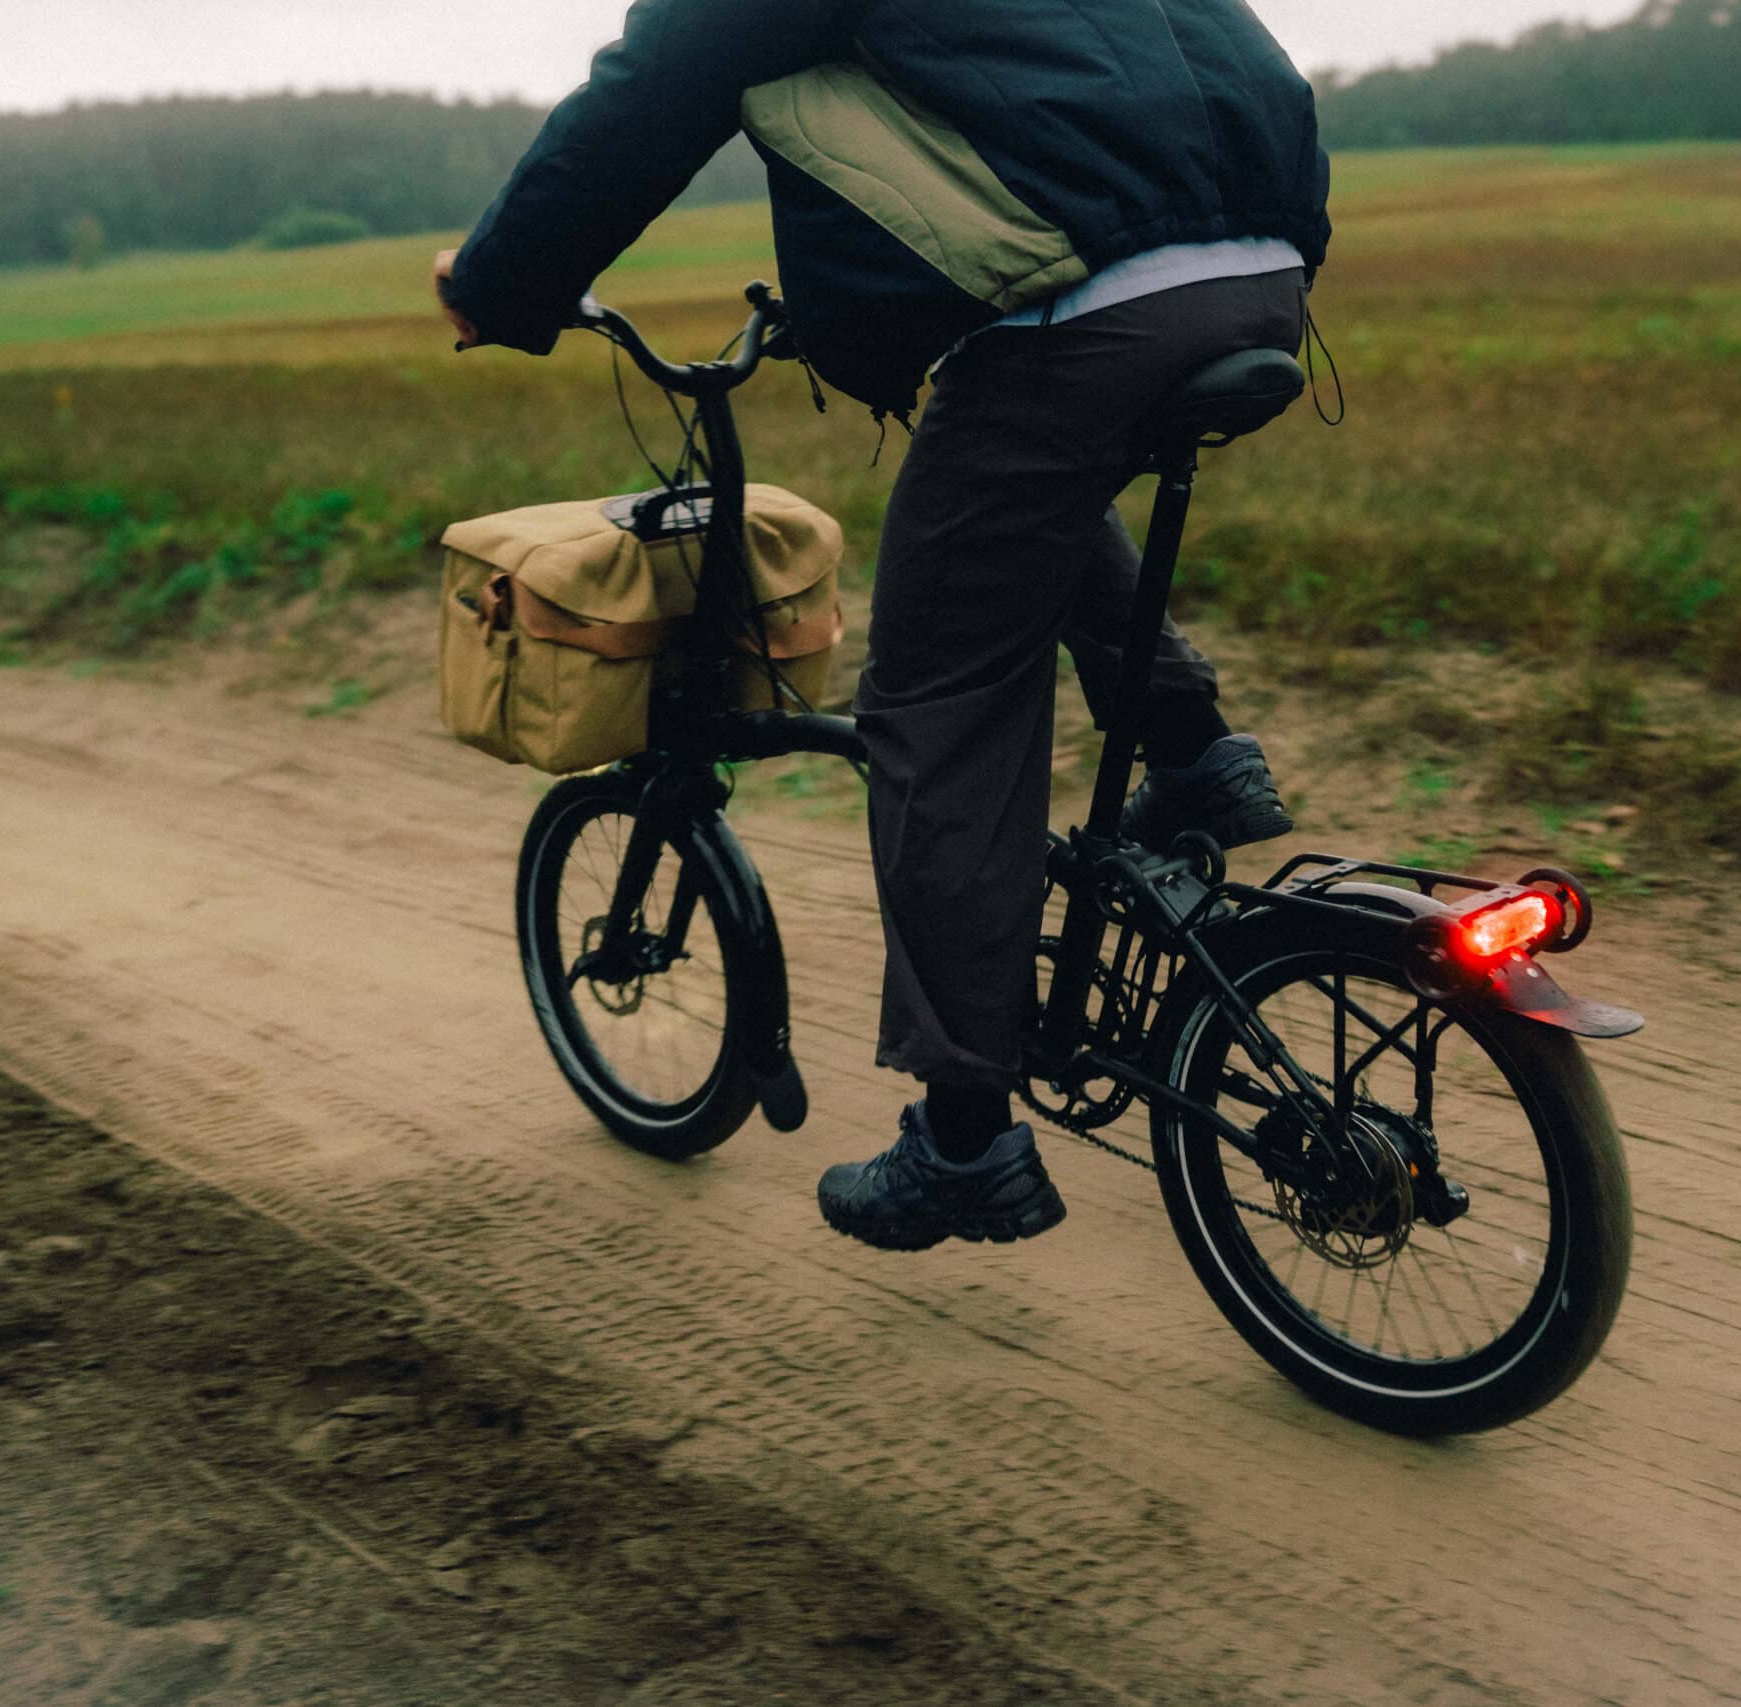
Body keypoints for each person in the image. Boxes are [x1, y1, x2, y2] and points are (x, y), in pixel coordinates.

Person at [436, 0, 1332, 1253]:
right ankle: (1193, 754)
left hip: (1088, 307)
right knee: (1028, 489)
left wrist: (498, 279)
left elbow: (655, 86)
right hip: (1258, 270)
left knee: (936, 701)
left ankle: (963, 1138)